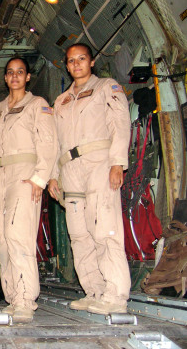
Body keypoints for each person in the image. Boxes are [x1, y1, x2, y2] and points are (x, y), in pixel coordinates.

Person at [48, 43, 131, 315]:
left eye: (81, 59)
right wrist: (54, 175)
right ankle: (94, 290)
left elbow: (120, 124)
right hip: (70, 170)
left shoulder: (107, 87)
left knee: (104, 228)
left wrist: (118, 162)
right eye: (71, 61)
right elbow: (54, 143)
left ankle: (116, 293)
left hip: (99, 163)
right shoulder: (61, 101)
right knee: (79, 233)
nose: (76, 64)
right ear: (67, 65)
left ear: (91, 61)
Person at [0, 57, 57, 323]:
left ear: (28, 77)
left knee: (19, 236)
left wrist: (40, 179)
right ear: (5, 78)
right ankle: (13, 297)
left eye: (20, 72)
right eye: (10, 73)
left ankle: (27, 298)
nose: (15, 76)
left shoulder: (37, 105)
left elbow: (48, 142)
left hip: (24, 176)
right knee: (4, 239)